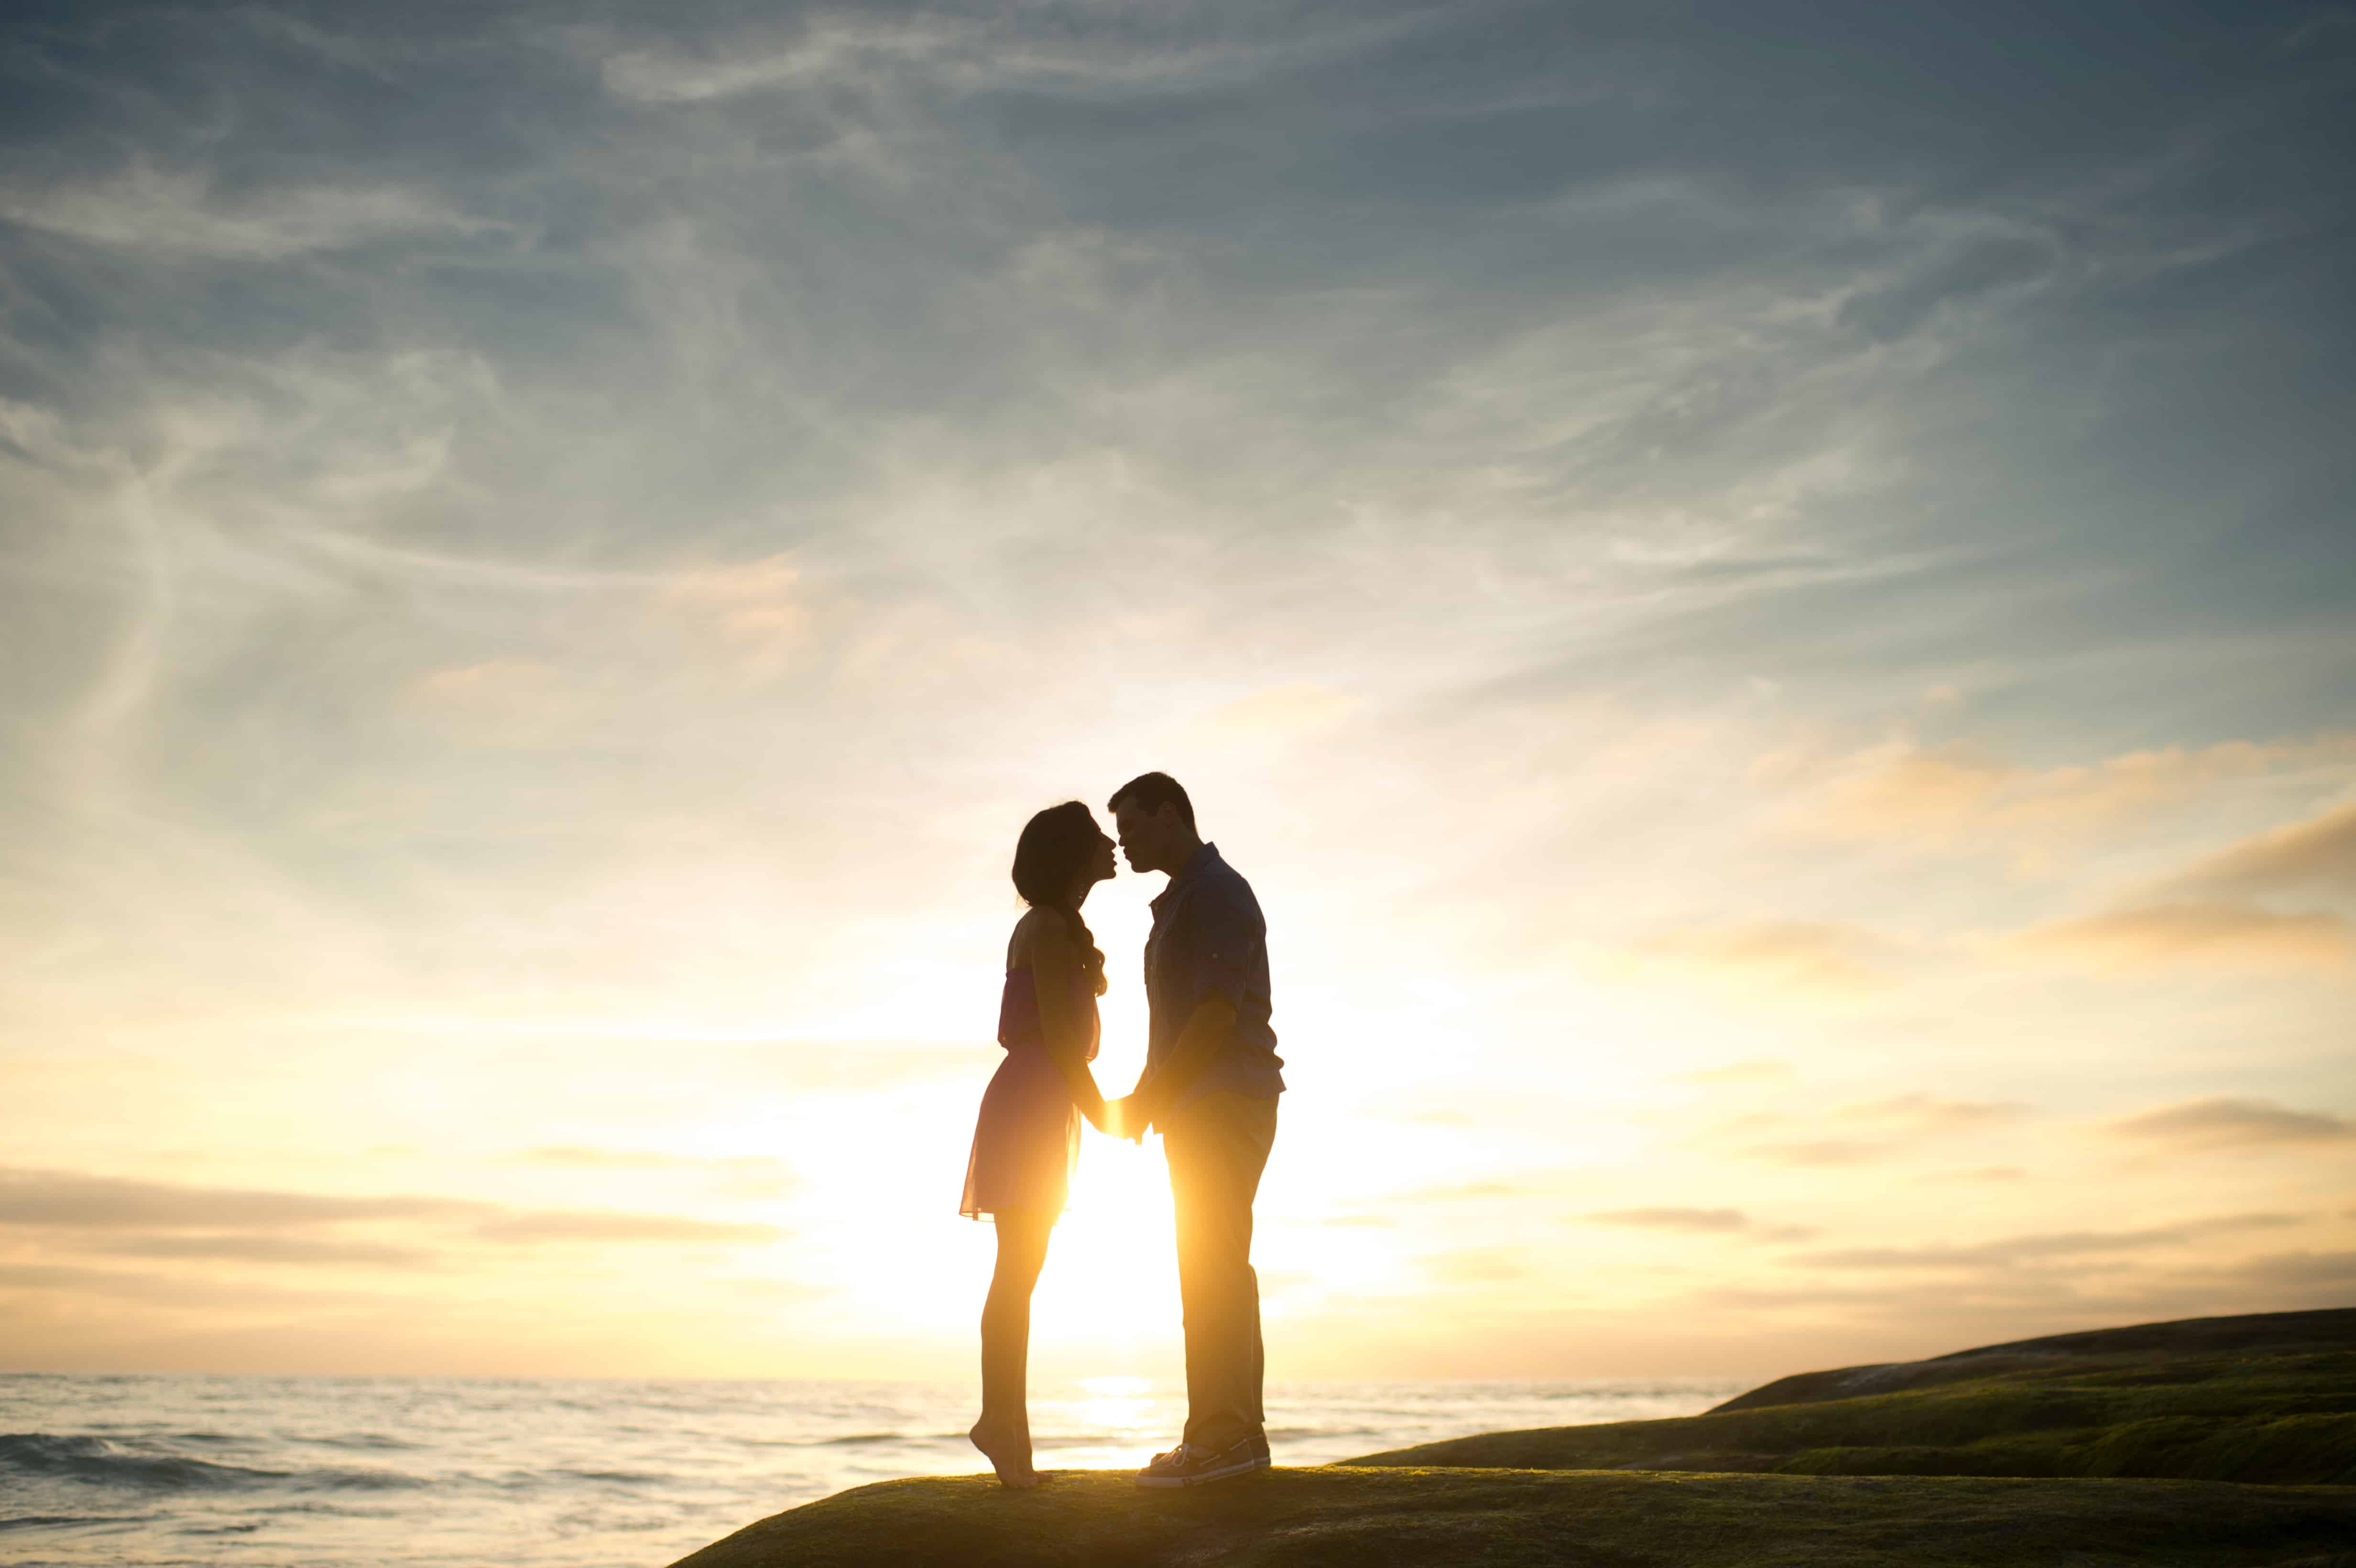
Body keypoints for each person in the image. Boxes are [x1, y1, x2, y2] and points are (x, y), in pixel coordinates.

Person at [1103, 772, 1285, 1488]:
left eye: (1135, 829)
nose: (1125, 844)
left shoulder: (1216, 893)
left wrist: (1150, 1099)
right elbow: (1177, 1023)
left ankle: (1221, 1439)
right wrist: (1151, 1096)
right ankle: (1236, 1436)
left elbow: (1212, 1016)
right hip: (1201, 1101)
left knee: (1212, 1266)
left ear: (1172, 815)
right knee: (1215, 1265)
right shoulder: (1183, 899)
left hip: (1224, 1099)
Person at [960, 800, 1132, 1488]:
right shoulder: (1051, 928)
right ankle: (1005, 1429)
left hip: (1038, 1097)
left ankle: (1005, 1426)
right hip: (1036, 1098)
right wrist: (1108, 1117)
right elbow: (1064, 1039)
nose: (1112, 845)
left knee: (1020, 1270)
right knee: (1019, 1272)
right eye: (1098, 838)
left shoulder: (1054, 925)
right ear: (1072, 854)